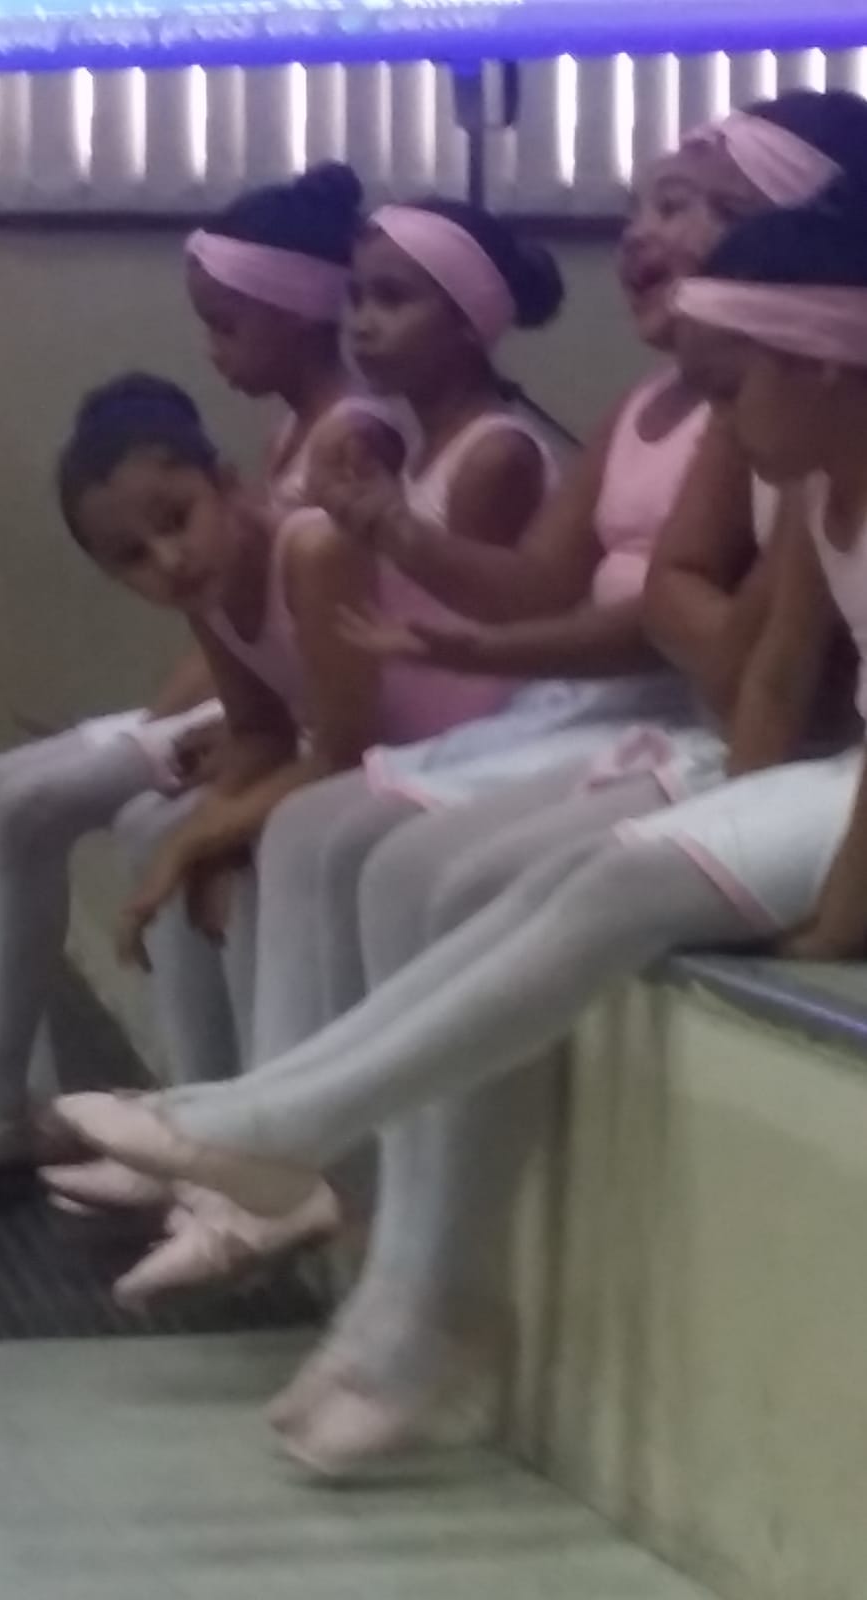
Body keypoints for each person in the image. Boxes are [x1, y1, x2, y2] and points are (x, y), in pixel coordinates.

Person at [56, 181, 867, 1474]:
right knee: (576, 879)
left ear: (825, 366)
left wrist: (831, 923)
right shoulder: (824, 485)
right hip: (828, 779)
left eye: (732, 388)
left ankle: (280, 1134)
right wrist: (742, 798)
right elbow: (772, 682)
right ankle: (299, 1159)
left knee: (611, 889)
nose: (717, 419)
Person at [44, 190, 566, 1268]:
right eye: (133, 557)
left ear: (227, 485)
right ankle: (204, 1131)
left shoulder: (363, 512)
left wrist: (211, 830)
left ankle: (275, 1155)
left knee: (267, 839)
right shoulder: (226, 568)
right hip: (379, 739)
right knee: (177, 831)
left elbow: (353, 733)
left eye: (177, 522)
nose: (169, 559)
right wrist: (201, 821)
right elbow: (261, 731)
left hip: (475, 732)